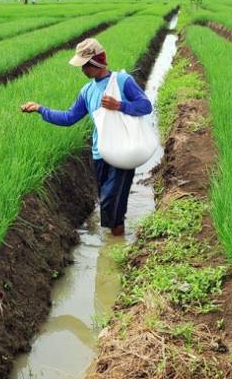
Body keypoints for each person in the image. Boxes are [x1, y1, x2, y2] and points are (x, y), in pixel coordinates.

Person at [21, 38, 152, 236]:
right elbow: (69, 118)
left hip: (125, 150)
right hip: (100, 154)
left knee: (111, 202)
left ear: (96, 63)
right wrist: (40, 109)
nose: (82, 70)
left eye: (85, 65)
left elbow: (146, 106)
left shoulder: (123, 82)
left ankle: (115, 243)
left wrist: (120, 105)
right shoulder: (87, 91)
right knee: (109, 205)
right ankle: (116, 239)